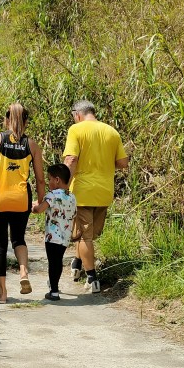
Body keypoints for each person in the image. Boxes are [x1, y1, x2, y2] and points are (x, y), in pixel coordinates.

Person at [0, 103, 45, 303]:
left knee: (0, 245)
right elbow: (40, 179)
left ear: (6, 120)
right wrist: (40, 203)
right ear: (26, 122)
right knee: (18, 239)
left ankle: (3, 294)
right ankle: (23, 272)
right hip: (21, 199)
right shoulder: (31, 145)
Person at [63, 99, 128, 293]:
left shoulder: (76, 130)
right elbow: (123, 162)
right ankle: (76, 264)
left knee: (85, 236)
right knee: (87, 235)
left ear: (77, 114)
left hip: (83, 192)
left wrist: (64, 185)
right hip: (104, 192)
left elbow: (71, 159)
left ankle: (92, 278)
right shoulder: (111, 132)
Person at [32, 163, 77, 301]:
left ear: (57, 180)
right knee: (58, 261)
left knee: (53, 262)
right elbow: (74, 215)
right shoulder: (72, 197)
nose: (48, 182)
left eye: (50, 179)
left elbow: (40, 209)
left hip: (52, 236)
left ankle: (54, 291)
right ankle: (54, 285)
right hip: (65, 236)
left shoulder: (52, 195)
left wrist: (32, 207)